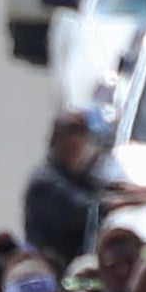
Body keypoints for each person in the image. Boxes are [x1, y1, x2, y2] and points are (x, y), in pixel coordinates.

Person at [19, 115, 103, 271]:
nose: (77, 150)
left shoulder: (82, 177)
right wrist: (118, 203)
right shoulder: (44, 182)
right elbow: (86, 209)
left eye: (81, 143)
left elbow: (106, 191)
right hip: (52, 270)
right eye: (70, 144)